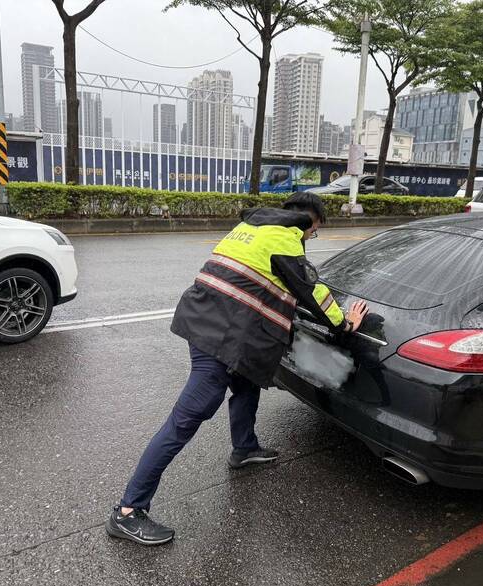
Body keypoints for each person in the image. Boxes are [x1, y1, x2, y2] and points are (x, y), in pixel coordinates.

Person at [106, 191, 369, 546]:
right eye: (314, 232)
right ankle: (127, 511)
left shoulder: (251, 226)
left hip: (209, 320)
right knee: (186, 419)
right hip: (220, 337)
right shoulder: (284, 236)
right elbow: (312, 291)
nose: (310, 238)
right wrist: (346, 323)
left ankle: (244, 448)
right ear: (308, 221)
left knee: (246, 383)